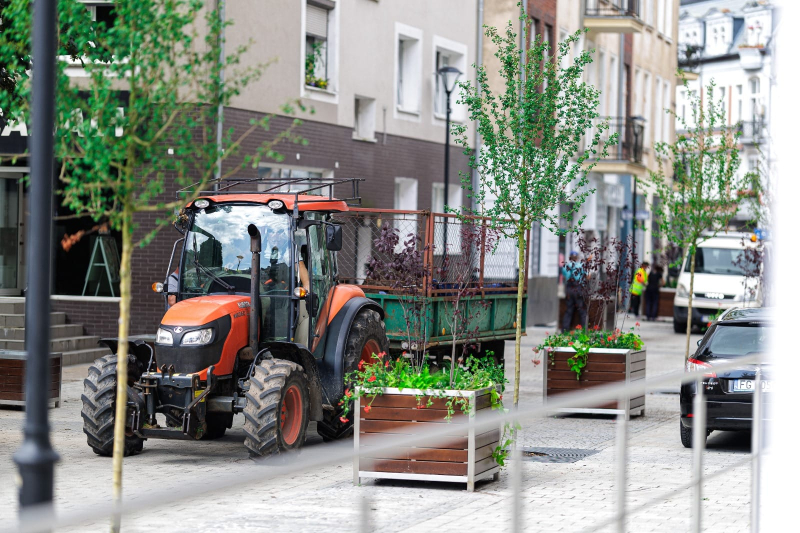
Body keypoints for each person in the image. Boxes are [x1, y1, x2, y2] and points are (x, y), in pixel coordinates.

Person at [561, 251, 587, 331]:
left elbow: (565, 276)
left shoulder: (565, 266)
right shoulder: (581, 265)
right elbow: (586, 276)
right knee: (582, 311)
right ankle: (584, 330)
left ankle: (565, 329)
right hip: (578, 289)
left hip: (569, 289)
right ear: (577, 258)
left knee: (569, 311)